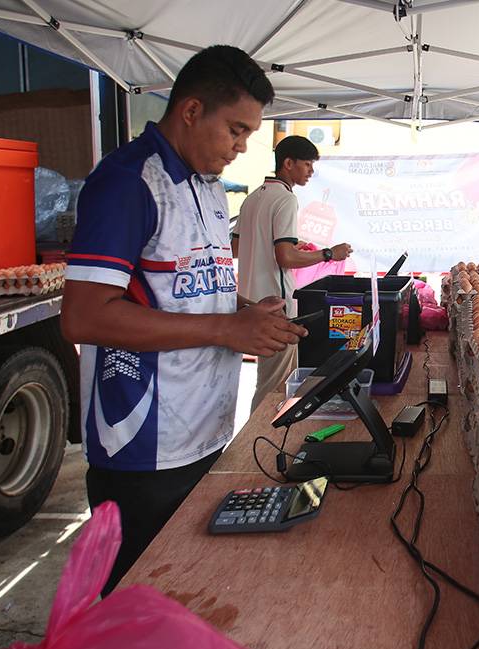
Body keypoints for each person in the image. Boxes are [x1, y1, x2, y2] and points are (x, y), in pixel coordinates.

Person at [61, 45, 308, 597]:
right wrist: (225, 330)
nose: (241, 148)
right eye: (236, 130)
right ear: (192, 111)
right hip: (144, 444)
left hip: (203, 429)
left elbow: (182, 292)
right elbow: (82, 316)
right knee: (136, 606)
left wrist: (244, 313)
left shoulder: (210, 188)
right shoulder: (129, 182)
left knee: (190, 593)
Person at [231, 135, 352, 410]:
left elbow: (236, 248)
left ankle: (259, 441)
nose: (310, 171)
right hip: (276, 305)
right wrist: (329, 254)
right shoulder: (285, 199)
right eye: (307, 164)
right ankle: (257, 444)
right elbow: (285, 256)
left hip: (249, 303)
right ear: (288, 163)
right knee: (275, 387)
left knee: (268, 381)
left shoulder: (252, 198)